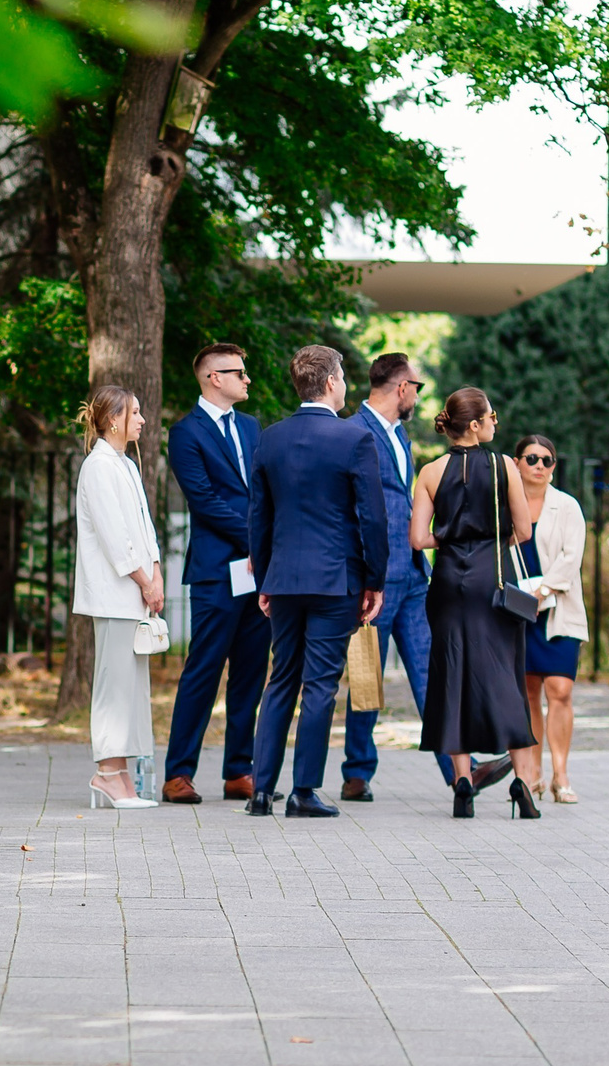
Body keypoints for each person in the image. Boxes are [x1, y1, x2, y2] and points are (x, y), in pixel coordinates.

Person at [245, 344, 388, 817]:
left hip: (283, 579)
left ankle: (261, 791)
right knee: (320, 685)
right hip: (335, 581)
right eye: (344, 377)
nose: (346, 385)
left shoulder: (271, 439)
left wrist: (265, 577)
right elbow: (372, 519)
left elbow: (258, 518)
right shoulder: (354, 440)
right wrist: (375, 580)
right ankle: (303, 791)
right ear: (330, 383)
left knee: (280, 678)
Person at [410, 388, 541, 819]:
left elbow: (418, 539)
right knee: (505, 674)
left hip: (447, 583)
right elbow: (522, 530)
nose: (495, 423)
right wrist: (487, 539)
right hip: (493, 580)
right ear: (474, 424)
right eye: (491, 416)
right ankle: (522, 785)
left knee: (452, 676)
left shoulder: (429, 471)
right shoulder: (504, 465)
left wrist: (450, 537)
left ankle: (462, 783)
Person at [160, 343, 268, 804]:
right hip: (216, 570)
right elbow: (203, 501)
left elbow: (265, 489)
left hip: (259, 572)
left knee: (250, 672)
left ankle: (239, 771)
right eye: (238, 373)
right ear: (212, 378)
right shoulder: (185, 433)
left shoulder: (252, 427)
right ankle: (178, 773)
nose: (247, 380)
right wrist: (255, 540)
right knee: (202, 670)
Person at [340, 352, 437, 800]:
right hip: (374, 580)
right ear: (402, 388)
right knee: (366, 676)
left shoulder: (402, 436)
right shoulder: (353, 432)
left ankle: (461, 767)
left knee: (431, 672)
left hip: (415, 576)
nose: (418, 395)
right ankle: (357, 772)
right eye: (416, 386)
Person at [72, 385, 163, 810]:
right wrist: (146, 580)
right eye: (135, 413)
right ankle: (107, 773)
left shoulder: (124, 464)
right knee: (113, 685)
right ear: (113, 420)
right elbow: (114, 537)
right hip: (114, 595)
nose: (142, 419)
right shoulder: (98, 467)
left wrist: (156, 573)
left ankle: (122, 773)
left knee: (130, 687)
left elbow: (143, 527)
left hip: (134, 594)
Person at [513, 434, 589, 802]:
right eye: (532, 458)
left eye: (547, 460)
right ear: (517, 463)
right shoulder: (506, 506)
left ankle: (561, 774)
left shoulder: (568, 506)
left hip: (558, 609)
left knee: (560, 689)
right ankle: (533, 773)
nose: (540, 466)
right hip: (518, 611)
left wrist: (542, 593)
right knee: (528, 692)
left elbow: (571, 558)